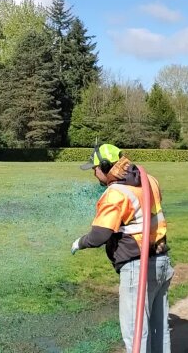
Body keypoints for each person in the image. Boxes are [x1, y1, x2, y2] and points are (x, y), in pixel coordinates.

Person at [71, 143, 174, 353]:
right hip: (162, 261)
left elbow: (99, 236)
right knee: (159, 329)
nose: (93, 173)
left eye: (95, 168)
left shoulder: (115, 193)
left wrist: (79, 242)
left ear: (106, 166)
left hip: (138, 267)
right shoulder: (149, 180)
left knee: (136, 333)